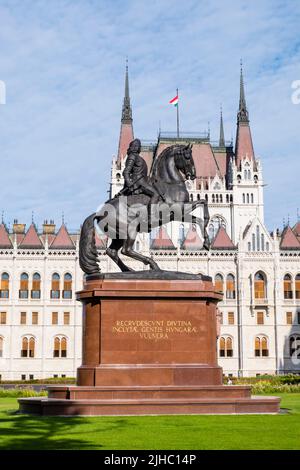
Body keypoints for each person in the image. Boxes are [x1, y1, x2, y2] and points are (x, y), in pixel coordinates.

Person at [122, 139, 161, 203]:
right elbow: (126, 172)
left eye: (139, 145)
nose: (139, 147)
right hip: (138, 182)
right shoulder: (132, 156)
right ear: (133, 147)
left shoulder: (138, 157)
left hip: (143, 181)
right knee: (155, 194)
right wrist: (129, 183)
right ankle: (152, 213)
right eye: (137, 145)